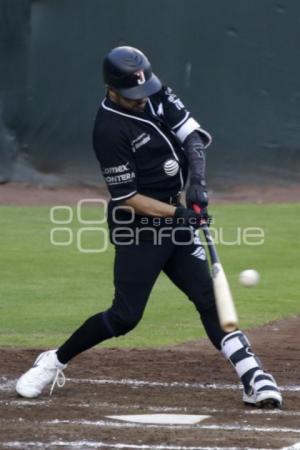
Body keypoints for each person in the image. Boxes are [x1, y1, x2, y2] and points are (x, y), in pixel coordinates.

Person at [16, 46, 282, 408]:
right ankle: (53, 361)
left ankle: (253, 375)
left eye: (144, 92)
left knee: (208, 298)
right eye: (132, 96)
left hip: (176, 220)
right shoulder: (108, 129)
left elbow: (191, 136)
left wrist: (197, 185)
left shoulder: (151, 90)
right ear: (112, 90)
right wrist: (180, 216)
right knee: (125, 316)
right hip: (139, 227)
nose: (141, 100)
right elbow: (127, 198)